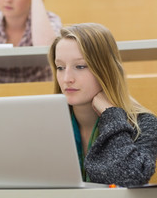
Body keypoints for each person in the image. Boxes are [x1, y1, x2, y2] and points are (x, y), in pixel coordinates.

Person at [47, 23, 157, 187]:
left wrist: (111, 115)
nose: (66, 78)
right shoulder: (47, 123)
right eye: (60, 67)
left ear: (106, 69)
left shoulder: (144, 124)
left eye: (80, 66)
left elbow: (130, 177)